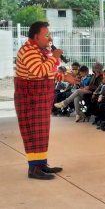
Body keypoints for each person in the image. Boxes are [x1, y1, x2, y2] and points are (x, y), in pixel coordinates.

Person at [14, 21, 77, 180]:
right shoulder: (28, 51)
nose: (50, 38)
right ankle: (33, 169)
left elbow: (47, 73)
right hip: (30, 98)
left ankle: (41, 164)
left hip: (39, 97)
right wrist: (54, 56)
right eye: (47, 35)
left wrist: (64, 77)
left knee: (41, 133)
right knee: (33, 132)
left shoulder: (39, 51)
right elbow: (38, 72)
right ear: (36, 36)